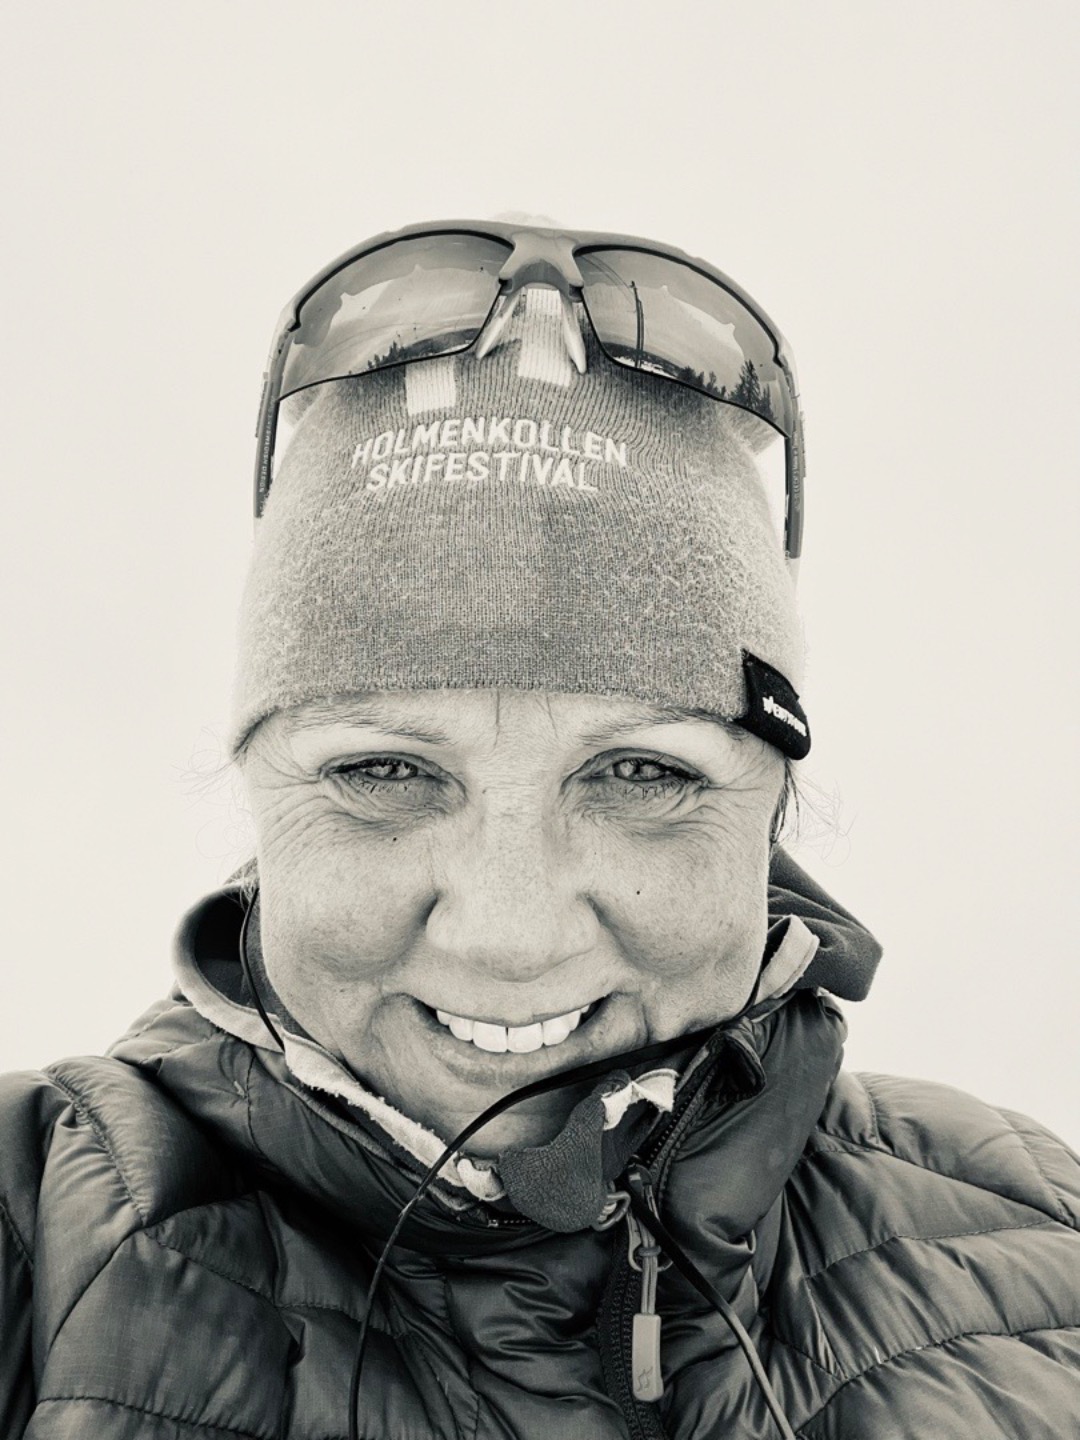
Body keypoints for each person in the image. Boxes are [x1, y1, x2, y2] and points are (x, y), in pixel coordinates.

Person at [1, 220, 1077, 1440]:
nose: (508, 937)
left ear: (770, 807)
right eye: (384, 770)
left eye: (640, 773)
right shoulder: (31, 1240)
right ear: (258, 794)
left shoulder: (1044, 1244)